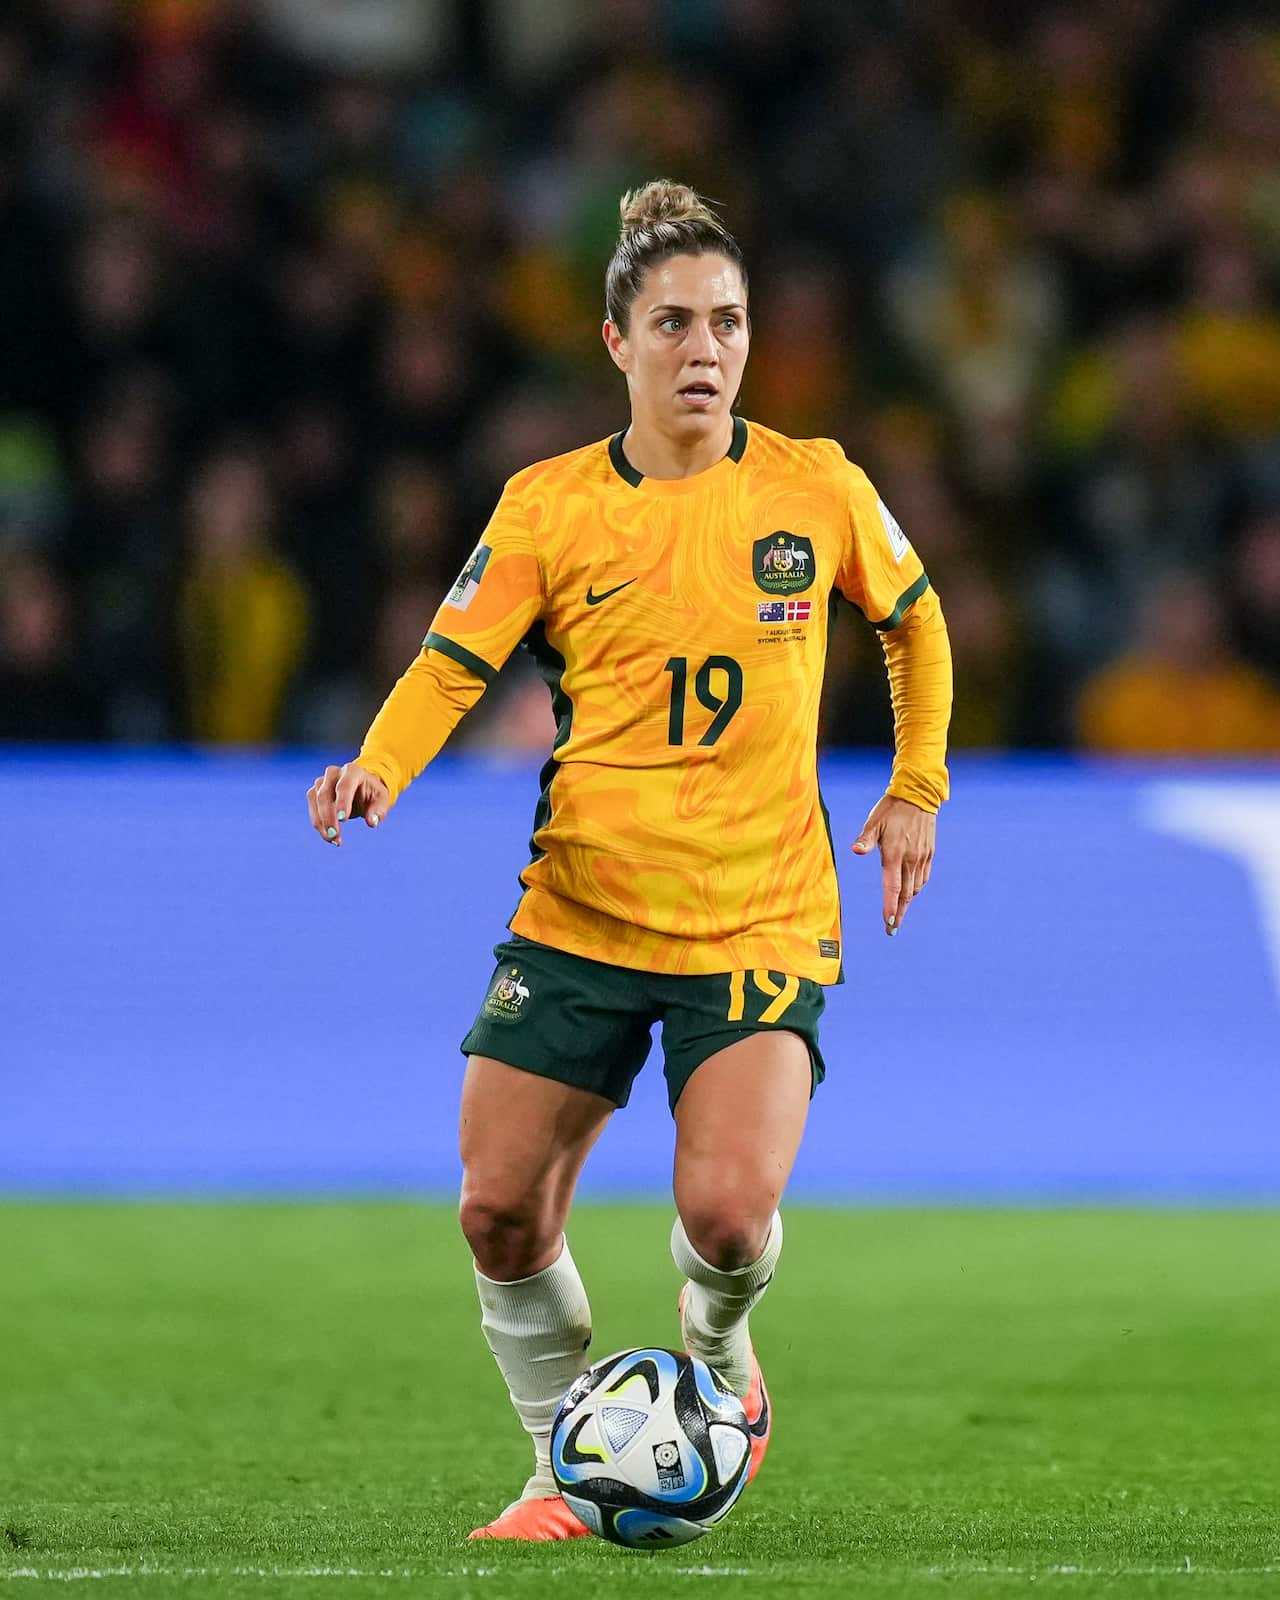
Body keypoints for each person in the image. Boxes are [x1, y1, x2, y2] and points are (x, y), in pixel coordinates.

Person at [306, 181, 953, 1540]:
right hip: (582, 919)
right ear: (617, 343)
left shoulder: (815, 484)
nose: (705, 349)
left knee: (724, 1218)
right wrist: (379, 764)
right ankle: (559, 1470)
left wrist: (915, 786)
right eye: (673, 324)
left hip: (758, 922)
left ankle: (720, 1363)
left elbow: (915, 618)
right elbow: (451, 661)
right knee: (494, 1212)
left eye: (727, 321)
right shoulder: (548, 510)